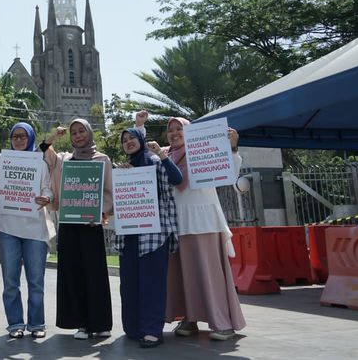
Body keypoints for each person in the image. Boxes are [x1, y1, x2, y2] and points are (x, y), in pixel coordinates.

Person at [156, 114, 247, 341]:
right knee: (183, 275)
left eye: (180, 128)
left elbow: (230, 172)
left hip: (203, 219)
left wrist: (232, 147)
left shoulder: (202, 149)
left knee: (209, 273)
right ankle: (189, 317)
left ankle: (222, 322)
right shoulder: (164, 155)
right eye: (171, 130)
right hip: (176, 222)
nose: (175, 133)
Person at [0, 112, 54, 339]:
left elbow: (47, 188)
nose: (18, 140)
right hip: (7, 229)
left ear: (30, 138)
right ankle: (15, 324)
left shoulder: (40, 162)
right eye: (14, 136)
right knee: (11, 282)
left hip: (35, 230)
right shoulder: (1, 160)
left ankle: (37, 324)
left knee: (36, 282)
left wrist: (46, 197)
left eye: (22, 136)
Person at [40, 118, 113, 340]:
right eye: (74, 133)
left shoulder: (103, 159)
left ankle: (100, 324)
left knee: (95, 274)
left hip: (91, 225)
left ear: (89, 133)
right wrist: (54, 136)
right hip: (70, 225)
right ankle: (81, 323)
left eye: (82, 131)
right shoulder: (64, 160)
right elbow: (42, 151)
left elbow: (109, 192)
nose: (79, 135)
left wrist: (101, 212)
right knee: (74, 274)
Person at [115, 126, 182, 348]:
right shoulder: (123, 168)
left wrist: (162, 155)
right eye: (124, 140)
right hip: (129, 235)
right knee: (129, 284)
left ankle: (152, 330)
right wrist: (125, 177)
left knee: (152, 284)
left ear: (141, 140)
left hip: (154, 234)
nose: (128, 142)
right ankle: (134, 328)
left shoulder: (154, 161)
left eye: (132, 137)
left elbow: (176, 179)